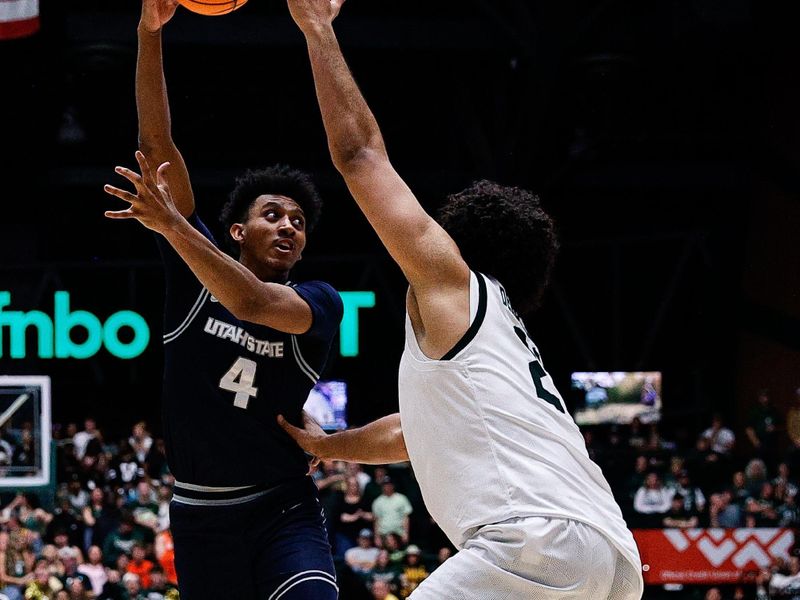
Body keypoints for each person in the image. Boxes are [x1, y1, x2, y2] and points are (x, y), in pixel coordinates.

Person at [278, 1, 643, 597]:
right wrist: (328, 446)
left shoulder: (453, 287)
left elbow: (360, 157)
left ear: (457, 240)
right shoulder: (502, 345)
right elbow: (411, 433)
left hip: (534, 541)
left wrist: (316, 27)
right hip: (612, 563)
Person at [102, 1, 344, 598]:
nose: (288, 225)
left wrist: (171, 226)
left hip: (282, 505)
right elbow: (158, 148)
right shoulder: (194, 277)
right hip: (200, 513)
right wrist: (149, 32)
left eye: (297, 221)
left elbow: (253, 305)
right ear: (237, 232)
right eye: (272, 215)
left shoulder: (320, 302)